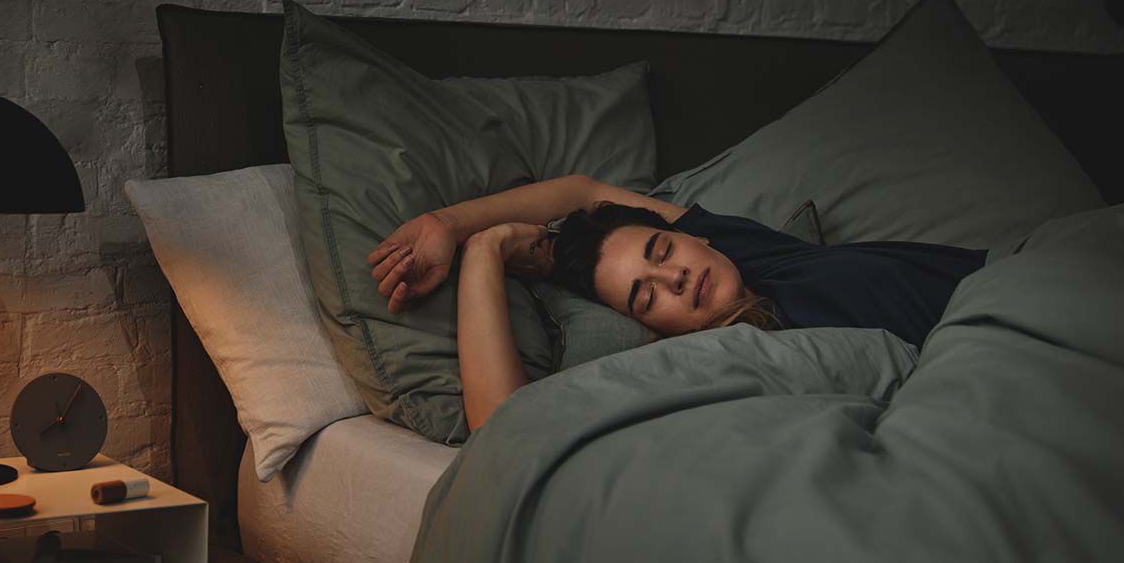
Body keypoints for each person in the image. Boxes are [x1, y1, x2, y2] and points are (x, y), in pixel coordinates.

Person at [366, 174, 986, 431]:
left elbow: (582, 191)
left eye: (664, 252)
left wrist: (446, 221)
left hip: (1015, 274)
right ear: (653, 330)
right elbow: (501, 426)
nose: (676, 280)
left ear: (690, 233)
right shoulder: (736, 360)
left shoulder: (747, 252)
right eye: (645, 295)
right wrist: (486, 250)